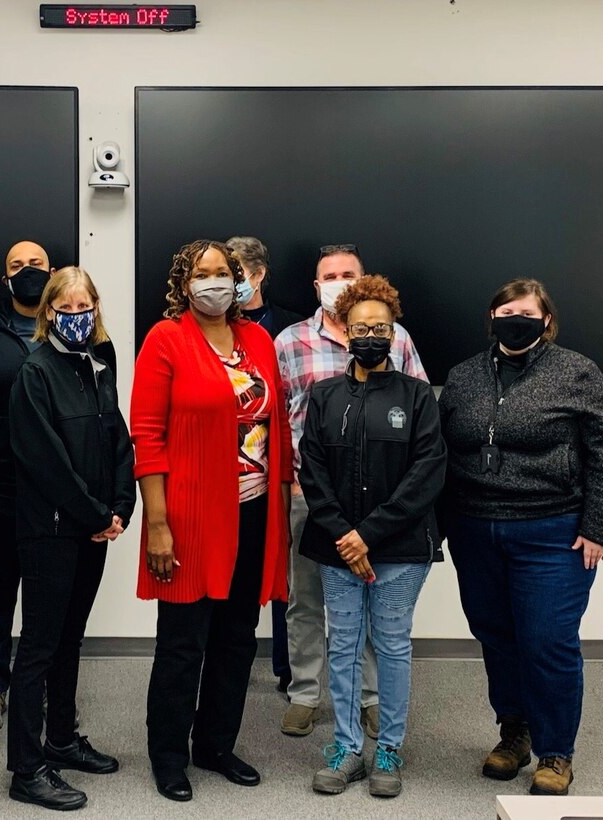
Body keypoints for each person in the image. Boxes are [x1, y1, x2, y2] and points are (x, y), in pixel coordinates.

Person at [439, 278, 603, 797]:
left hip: (553, 532)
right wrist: (437, 526)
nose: (513, 319)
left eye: (525, 311)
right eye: (504, 311)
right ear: (491, 319)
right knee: (496, 637)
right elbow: (440, 452)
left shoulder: (577, 372)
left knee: (547, 640)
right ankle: (514, 734)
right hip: (475, 530)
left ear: (545, 320)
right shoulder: (464, 376)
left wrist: (598, 527)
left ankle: (555, 752)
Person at [131, 239, 293, 802]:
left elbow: (275, 426)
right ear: (184, 282)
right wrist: (157, 524)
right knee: (183, 643)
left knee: (238, 638)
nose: (215, 282)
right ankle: (169, 755)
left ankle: (216, 745)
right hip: (191, 518)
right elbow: (147, 437)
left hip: (254, 514)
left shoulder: (257, 339)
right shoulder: (165, 339)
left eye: (223, 272)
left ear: (240, 280)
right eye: (202, 274)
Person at [299, 275, 446, 799]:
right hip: (338, 547)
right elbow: (311, 468)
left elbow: (427, 471)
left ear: (393, 332)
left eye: (380, 326)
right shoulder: (324, 395)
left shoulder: (418, 396)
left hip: (402, 549)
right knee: (342, 645)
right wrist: (346, 536)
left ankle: (388, 748)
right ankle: (344, 747)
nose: (370, 334)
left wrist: (370, 535)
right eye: (360, 326)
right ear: (344, 328)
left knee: (391, 644)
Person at [274, 244, 428, 739]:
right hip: (310, 495)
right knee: (306, 600)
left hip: (380, 501)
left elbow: (419, 410)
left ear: (364, 281)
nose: (339, 280)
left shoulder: (396, 337)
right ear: (316, 286)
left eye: (348, 273)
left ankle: (369, 698)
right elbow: (274, 418)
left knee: (368, 600)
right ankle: (304, 693)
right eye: (329, 275)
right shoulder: (290, 341)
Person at [0, 242, 116, 732]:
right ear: (5, 277)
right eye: (16, 266)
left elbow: (109, 426)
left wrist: (110, 505)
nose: (27, 272)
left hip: (66, 497)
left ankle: (54, 706)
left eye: (36, 265)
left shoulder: (97, 350)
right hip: (1, 484)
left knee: (52, 609)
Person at [6, 267, 135, 811]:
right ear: (49, 311)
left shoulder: (100, 364)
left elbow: (118, 440)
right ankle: (26, 767)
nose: (78, 314)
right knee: (38, 647)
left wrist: (121, 508)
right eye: (68, 305)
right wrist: (91, 514)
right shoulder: (34, 373)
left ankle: (61, 738)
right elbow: (45, 462)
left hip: (95, 529)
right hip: (51, 532)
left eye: (86, 304)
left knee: (70, 640)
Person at [227, 235, 304, 693]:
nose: (230, 283)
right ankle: (226, 654)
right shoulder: (210, 326)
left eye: (238, 274)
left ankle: (287, 665)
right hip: (231, 467)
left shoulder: (292, 328)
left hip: (281, 461)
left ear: (258, 275)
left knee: (285, 567)